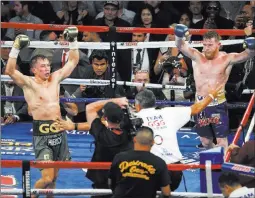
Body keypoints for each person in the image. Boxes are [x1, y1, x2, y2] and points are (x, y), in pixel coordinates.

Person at [5, 27, 79, 197]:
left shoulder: (55, 78)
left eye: (47, 65)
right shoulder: (29, 83)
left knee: (54, 178)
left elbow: (73, 61)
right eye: (43, 66)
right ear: (34, 70)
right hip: (42, 134)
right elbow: (10, 71)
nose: (47, 68)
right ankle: (31, 195)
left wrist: (73, 41)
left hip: (59, 130)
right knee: (47, 177)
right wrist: (15, 48)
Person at [174, 24, 255, 151]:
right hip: (200, 105)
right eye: (205, 45)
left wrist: (252, 45)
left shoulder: (227, 59)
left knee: (222, 140)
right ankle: (213, 155)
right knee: (205, 141)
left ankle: (224, 168)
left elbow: (247, 55)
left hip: (218, 105)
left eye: (210, 45)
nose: (206, 48)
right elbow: (181, 45)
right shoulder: (197, 56)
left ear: (219, 44)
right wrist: (179, 36)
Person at [134, 87, 222, 191]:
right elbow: (196, 108)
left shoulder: (134, 118)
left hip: (150, 170)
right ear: (154, 102)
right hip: (174, 171)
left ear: (138, 106)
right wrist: (212, 95)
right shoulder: (169, 112)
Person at [108, 126, 171, 198]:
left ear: (134, 139)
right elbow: (166, 192)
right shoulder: (159, 163)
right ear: (153, 142)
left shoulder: (119, 157)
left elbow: (111, 182)